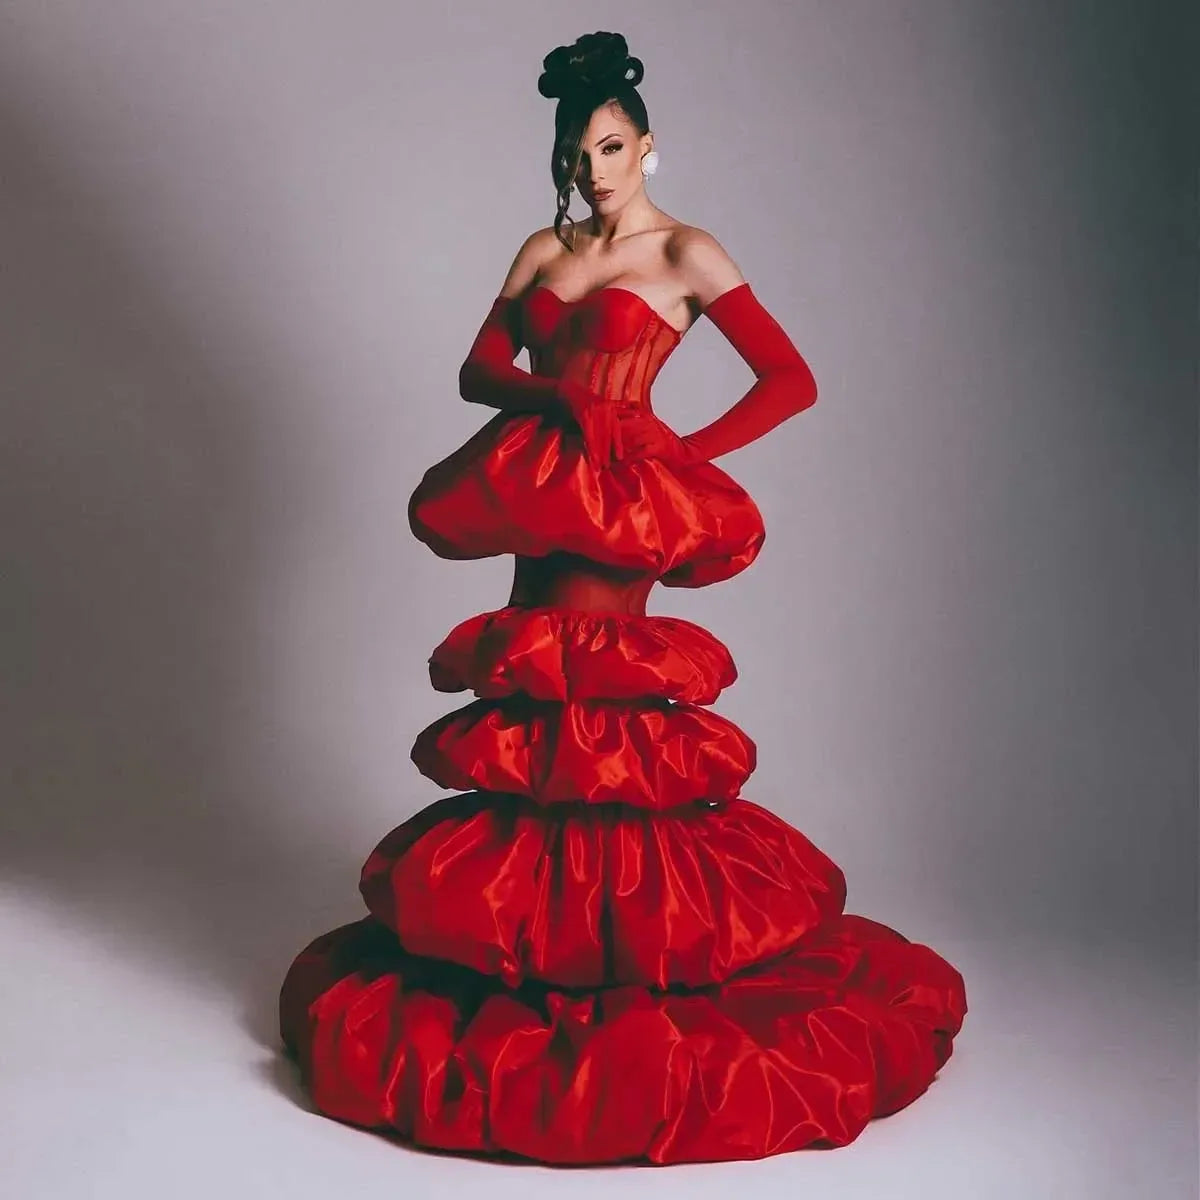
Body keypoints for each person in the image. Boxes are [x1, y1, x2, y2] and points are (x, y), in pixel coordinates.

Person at [279, 30, 967, 1166]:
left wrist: (675, 452)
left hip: (620, 511)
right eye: (577, 151)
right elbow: (479, 371)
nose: (593, 169)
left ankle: (617, 959)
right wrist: (563, 406)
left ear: (648, 145)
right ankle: (547, 946)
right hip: (542, 484)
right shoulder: (544, 247)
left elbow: (790, 379)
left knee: (596, 707)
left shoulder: (687, 251)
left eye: (610, 147)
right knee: (539, 701)